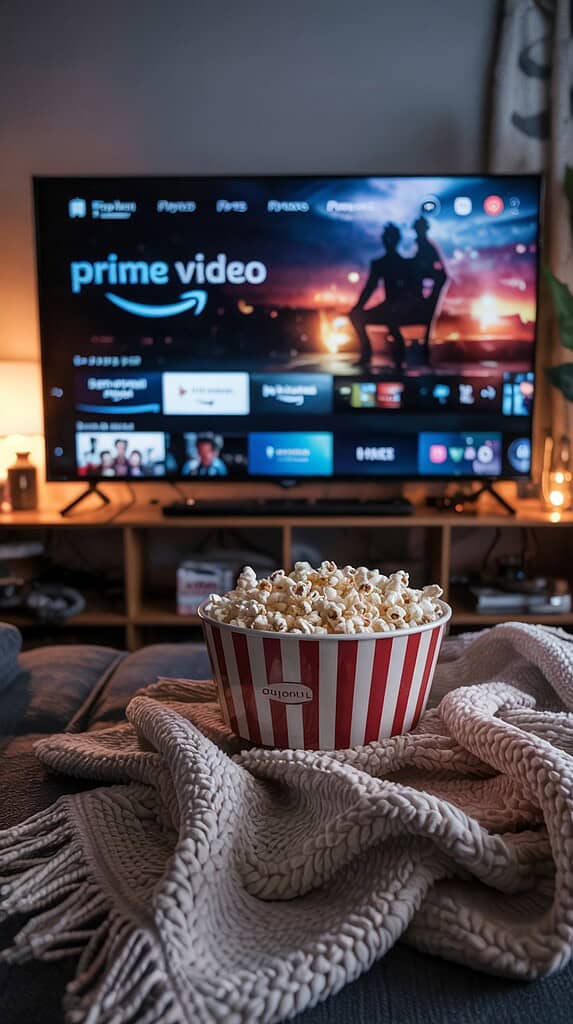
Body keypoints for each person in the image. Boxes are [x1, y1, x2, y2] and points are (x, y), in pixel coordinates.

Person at [349, 223, 414, 369]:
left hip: (402, 308)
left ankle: (398, 359)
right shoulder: (380, 263)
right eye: (387, 238)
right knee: (357, 315)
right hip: (389, 307)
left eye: (391, 238)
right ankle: (367, 354)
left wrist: (401, 305)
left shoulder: (404, 264)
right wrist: (358, 308)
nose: (388, 242)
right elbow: (370, 288)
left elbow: (411, 291)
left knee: (392, 320)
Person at [410, 216, 448, 361]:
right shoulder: (421, 246)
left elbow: (439, 273)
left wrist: (430, 294)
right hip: (422, 292)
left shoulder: (428, 248)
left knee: (428, 321)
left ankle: (424, 350)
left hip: (427, 293)